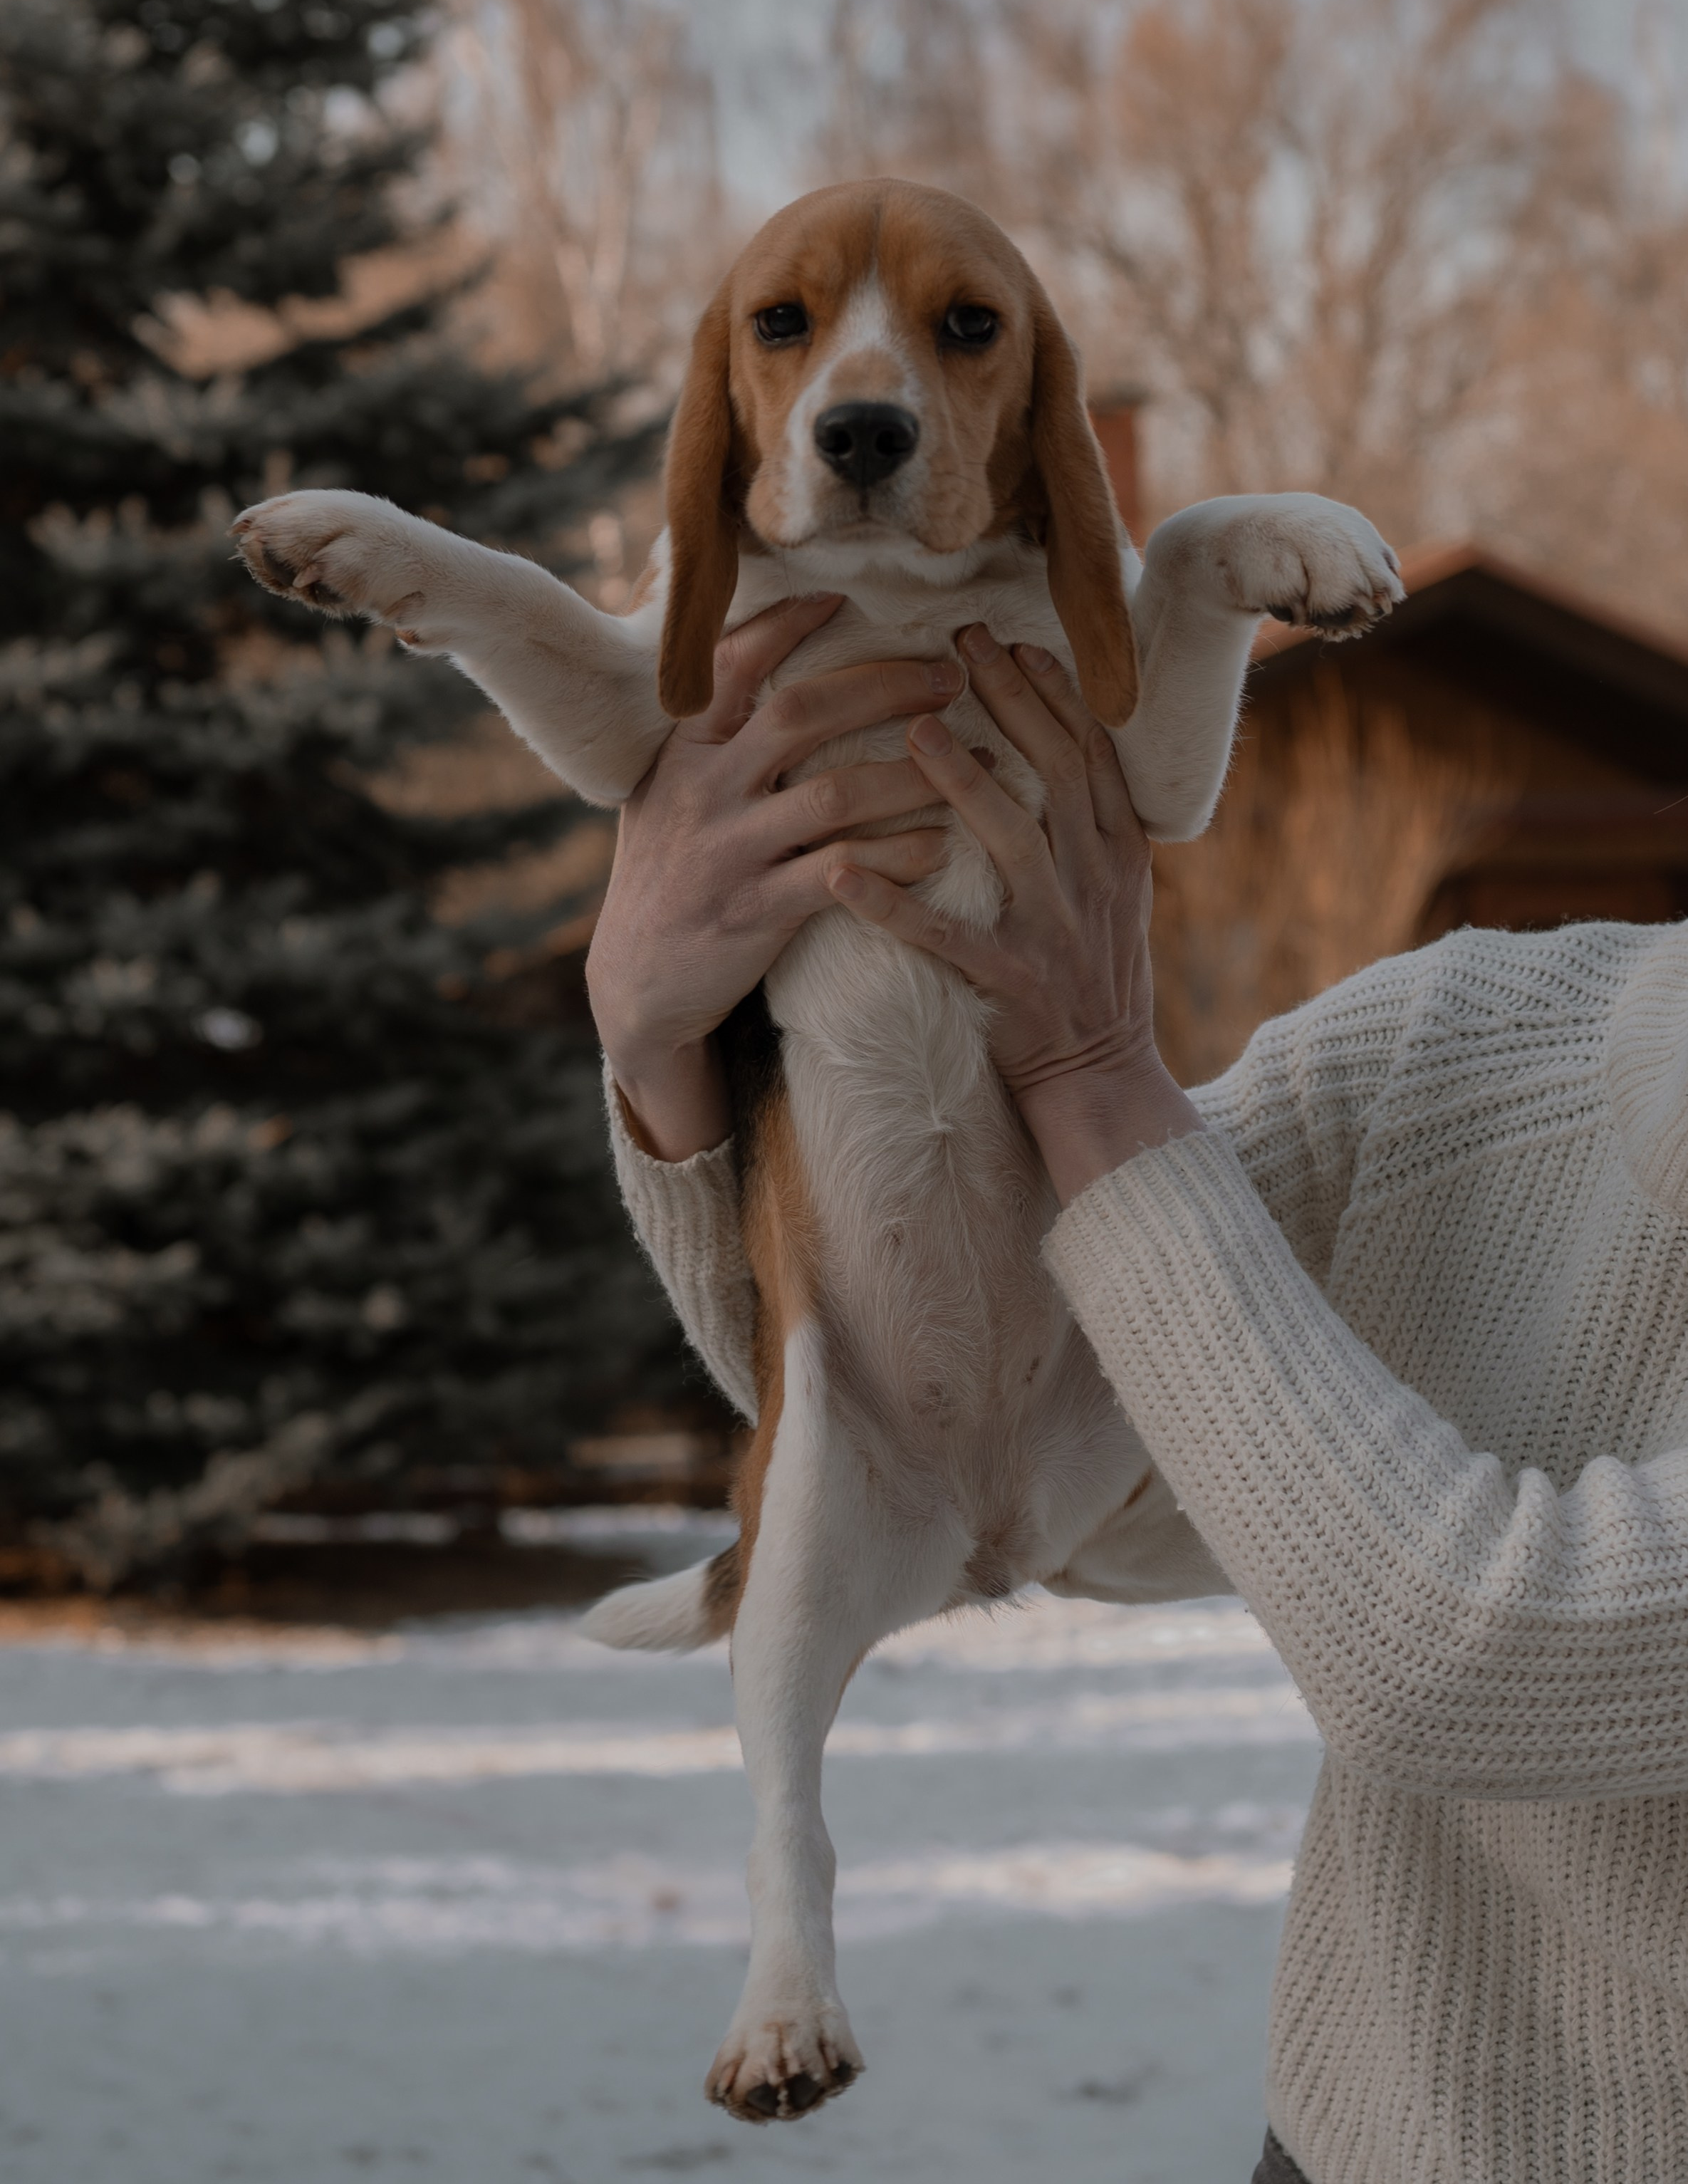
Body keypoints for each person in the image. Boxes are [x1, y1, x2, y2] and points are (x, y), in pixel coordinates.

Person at [585, 598, 1688, 2184]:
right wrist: (664, 1046)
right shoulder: (1462, 1041)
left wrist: (1098, 1069)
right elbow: (996, 1443)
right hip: (1338, 2143)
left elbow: (1462, 1647)